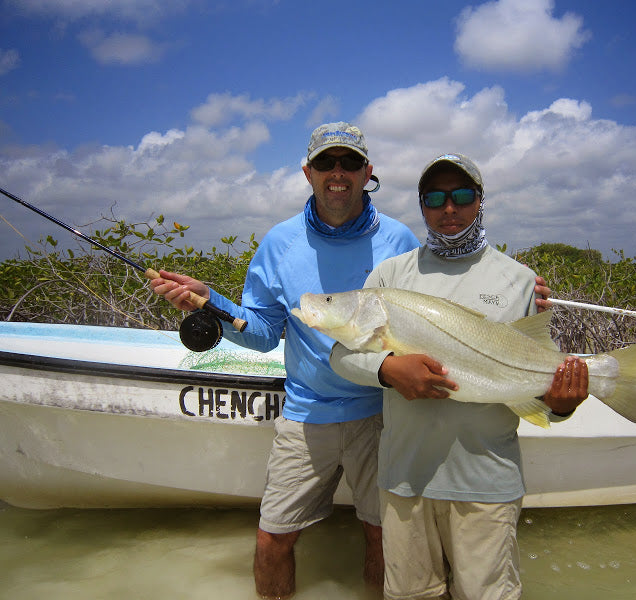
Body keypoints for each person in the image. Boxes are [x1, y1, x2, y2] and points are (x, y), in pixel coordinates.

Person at [149, 122, 423, 599]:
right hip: (306, 413)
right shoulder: (279, 243)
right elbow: (262, 334)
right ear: (308, 172)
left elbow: (429, 319)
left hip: (384, 413)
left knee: (384, 537)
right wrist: (212, 301)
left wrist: (520, 295)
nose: (338, 173)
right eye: (326, 163)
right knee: (272, 537)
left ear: (367, 172)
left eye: (350, 163)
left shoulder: (399, 240)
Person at [329, 153, 589, 600]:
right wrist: (390, 370)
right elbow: (340, 357)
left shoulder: (522, 281)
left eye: (462, 196)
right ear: (422, 205)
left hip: (487, 483)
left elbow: (537, 384)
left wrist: (562, 405)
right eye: (434, 198)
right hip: (404, 480)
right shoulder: (392, 276)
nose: (449, 208)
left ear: (480, 201)